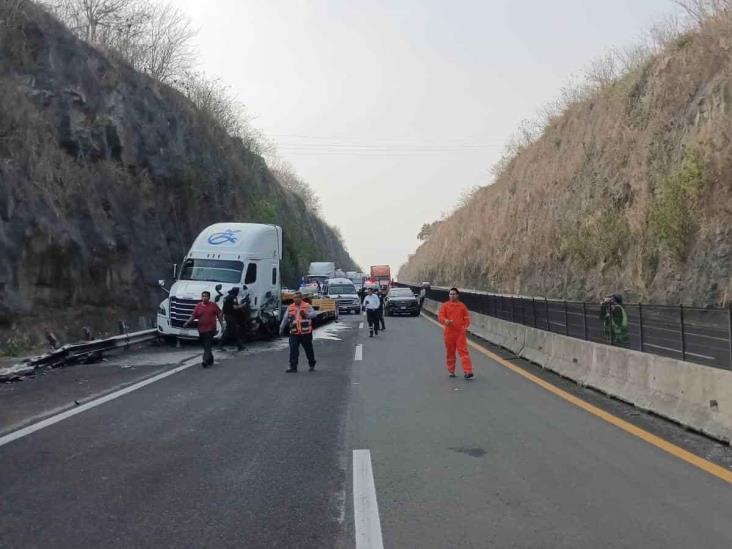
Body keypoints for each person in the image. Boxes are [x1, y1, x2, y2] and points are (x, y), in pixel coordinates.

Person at [437, 287, 474, 379]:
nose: (452, 295)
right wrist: (446, 321)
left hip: (460, 334)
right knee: (450, 353)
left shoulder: (462, 306)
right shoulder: (445, 305)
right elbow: (441, 316)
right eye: (450, 294)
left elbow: (467, 319)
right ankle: (451, 371)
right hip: (449, 333)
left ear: (457, 295)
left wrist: (464, 328)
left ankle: (468, 371)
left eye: (454, 294)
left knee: (464, 352)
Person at [280, 291, 318, 373]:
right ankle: (293, 367)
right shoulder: (290, 307)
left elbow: (314, 314)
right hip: (294, 333)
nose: (296, 299)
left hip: (306, 333)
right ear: (293, 299)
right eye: (295, 298)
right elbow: (285, 318)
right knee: (293, 350)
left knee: (308, 350)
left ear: (301, 298)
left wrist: (307, 315)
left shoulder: (307, 306)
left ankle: (312, 364)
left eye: (298, 297)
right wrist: (281, 328)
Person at [183, 291, 223, 368]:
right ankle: (210, 359)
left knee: (207, 344)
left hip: (211, 328)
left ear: (209, 297)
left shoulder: (213, 305)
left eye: (206, 296)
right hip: (201, 329)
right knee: (206, 345)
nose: (204, 298)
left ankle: (205, 360)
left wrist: (222, 326)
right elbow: (193, 316)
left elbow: (219, 315)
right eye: (203, 296)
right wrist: (187, 323)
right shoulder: (198, 306)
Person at [219, 287, 245, 351]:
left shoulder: (226, 297)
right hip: (231, 316)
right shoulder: (233, 297)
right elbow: (234, 307)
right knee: (231, 331)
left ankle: (240, 346)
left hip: (227, 316)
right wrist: (243, 305)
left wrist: (221, 315)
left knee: (233, 331)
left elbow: (223, 308)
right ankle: (220, 345)